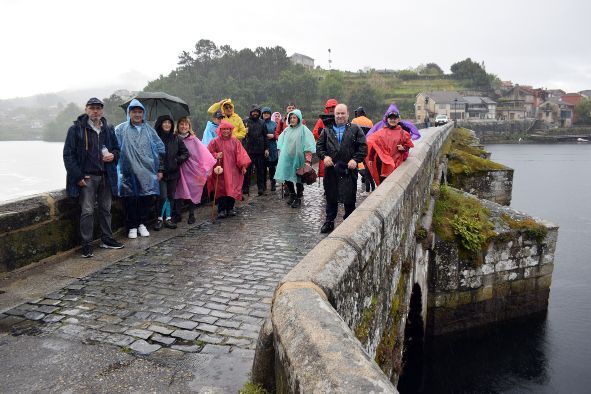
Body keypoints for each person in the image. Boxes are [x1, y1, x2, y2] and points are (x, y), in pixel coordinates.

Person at [63, 97, 123, 258]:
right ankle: (87, 245)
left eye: (98, 108)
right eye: (92, 108)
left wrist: (113, 155)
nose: (95, 111)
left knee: (106, 209)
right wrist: (78, 176)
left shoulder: (108, 128)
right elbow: (68, 155)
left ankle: (107, 239)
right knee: (87, 211)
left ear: (102, 110)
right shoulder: (75, 129)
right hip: (87, 177)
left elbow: (117, 149)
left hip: (106, 175)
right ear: (86, 109)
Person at [115, 99, 165, 239]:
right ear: (129, 113)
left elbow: (160, 149)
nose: (137, 114)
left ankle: (142, 223)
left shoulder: (149, 130)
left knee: (146, 199)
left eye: (139, 112)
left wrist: (160, 169)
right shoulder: (120, 129)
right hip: (128, 172)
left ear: (143, 113)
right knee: (130, 200)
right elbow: (114, 148)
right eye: (134, 112)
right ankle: (131, 226)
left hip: (147, 172)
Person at [316, 104, 368, 233]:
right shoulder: (327, 129)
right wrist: (325, 157)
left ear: (348, 114)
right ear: (334, 115)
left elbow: (363, 147)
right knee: (331, 196)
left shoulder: (355, 129)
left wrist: (355, 160)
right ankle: (329, 222)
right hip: (331, 169)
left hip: (348, 169)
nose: (340, 116)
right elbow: (319, 147)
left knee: (349, 196)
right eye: (337, 113)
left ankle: (349, 222)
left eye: (342, 113)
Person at [175, 116, 217, 224]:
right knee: (178, 192)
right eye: (182, 124)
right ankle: (178, 214)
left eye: (186, 124)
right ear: (178, 126)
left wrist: (206, 167)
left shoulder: (193, 139)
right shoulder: (174, 138)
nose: (184, 126)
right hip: (178, 168)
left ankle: (191, 214)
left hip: (191, 170)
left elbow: (204, 153)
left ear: (189, 126)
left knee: (192, 191)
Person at [207, 120, 251, 218]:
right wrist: (216, 155)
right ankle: (221, 209)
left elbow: (241, 154)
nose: (226, 131)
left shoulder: (235, 141)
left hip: (233, 170)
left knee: (232, 189)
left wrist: (243, 166)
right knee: (221, 189)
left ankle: (230, 208)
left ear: (230, 130)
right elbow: (208, 153)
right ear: (220, 130)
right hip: (220, 170)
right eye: (224, 129)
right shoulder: (214, 141)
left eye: (228, 129)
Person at [153, 115, 189, 231]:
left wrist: (177, 160)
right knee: (162, 196)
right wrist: (159, 168)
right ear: (160, 124)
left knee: (170, 196)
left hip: (173, 173)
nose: (167, 125)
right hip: (160, 174)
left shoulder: (176, 138)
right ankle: (159, 219)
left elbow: (185, 153)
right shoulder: (155, 138)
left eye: (169, 122)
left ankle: (168, 218)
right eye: (165, 122)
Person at [274, 109, 316, 208]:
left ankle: (299, 197)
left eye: (294, 117)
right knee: (287, 176)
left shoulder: (303, 129)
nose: (292, 119)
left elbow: (308, 144)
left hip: (299, 158)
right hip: (287, 158)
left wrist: (308, 160)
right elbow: (281, 143)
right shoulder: (287, 130)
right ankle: (292, 195)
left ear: (299, 118)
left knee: (299, 178)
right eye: (291, 117)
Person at [366, 110, 414, 186]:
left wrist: (403, 148)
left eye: (394, 118)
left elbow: (408, 146)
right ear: (387, 120)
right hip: (381, 162)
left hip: (394, 161)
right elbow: (375, 145)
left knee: (391, 183)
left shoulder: (403, 133)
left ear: (398, 120)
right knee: (382, 182)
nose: (392, 120)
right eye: (390, 118)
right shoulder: (381, 132)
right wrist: (371, 158)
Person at [242, 105, 269, 196]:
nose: (255, 113)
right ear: (251, 112)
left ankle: (261, 188)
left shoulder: (262, 122)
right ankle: (245, 188)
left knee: (261, 171)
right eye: (254, 111)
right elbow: (241, 136)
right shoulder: (245, 122)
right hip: (248, 150)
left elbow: (265, 136)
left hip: (260, 151)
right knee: (247, 171)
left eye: (257, 112)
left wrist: (266, 148)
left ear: (259, 113)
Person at [312, 98, 338, 179]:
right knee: (327, 172)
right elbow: (315, 132)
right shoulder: (322, 120)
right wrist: (322, 134)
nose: (332, 109)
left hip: (338, 149)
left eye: (334, 107)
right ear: (327, 108)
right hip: (326, 150)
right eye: (330, 107)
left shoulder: (340, 119)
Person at [262, 107, 278, 191]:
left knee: (272, 167)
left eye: (267, 113)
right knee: (263, 167)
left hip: (272, 147)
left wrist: (273, 136)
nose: (266, 114)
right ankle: (263, 185)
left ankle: (273, 183)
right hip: (262, 147)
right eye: (264, 113)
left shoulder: (274, 124)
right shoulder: (260, 123)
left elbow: (278, 134)